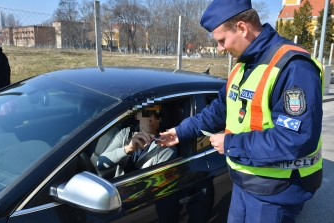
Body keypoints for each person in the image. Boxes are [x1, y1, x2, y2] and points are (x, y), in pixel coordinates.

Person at [158, 0, 323, 222]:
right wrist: (181, 131)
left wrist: (231, 144)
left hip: (276, 190)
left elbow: (296, 140)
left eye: (222, 40)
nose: (220, 48)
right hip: (244, 181)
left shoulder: (293, 67)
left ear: (242, 28)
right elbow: (217, 111)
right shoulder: (242, 66)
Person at [97, 105, 178, 177]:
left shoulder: (166, 147)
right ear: (137, 115)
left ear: (160, 119)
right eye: (147, 113)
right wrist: (128, 149)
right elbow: (101, 164)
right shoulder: (126, 133)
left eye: (156, 115)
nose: (152, 119)